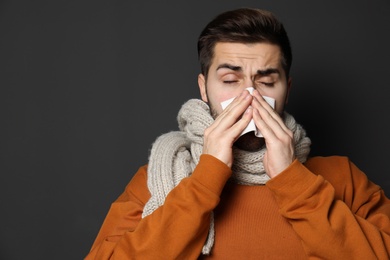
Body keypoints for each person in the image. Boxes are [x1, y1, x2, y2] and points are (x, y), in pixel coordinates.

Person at [85, 8, 390, 259]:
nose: (249, 96)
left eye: (267, 82)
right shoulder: (158, 178)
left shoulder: (342, 179)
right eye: (230, 79)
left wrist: (293, 182)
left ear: (287, 89)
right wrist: (205, 178)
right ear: (204, 88)